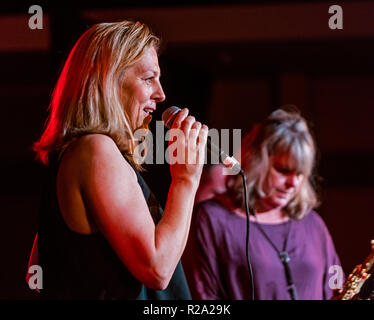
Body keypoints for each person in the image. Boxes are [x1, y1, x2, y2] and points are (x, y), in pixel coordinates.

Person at [30, 20, 208, 299]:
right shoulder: (97, 150)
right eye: (149, 78)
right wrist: (186, 179)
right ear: (108, 80)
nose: (161, 94)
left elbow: (37, 269)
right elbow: (158, 269)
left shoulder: (73, 153)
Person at [182, 106, 343, 300]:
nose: (293, 183)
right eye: (283, 170)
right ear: (256, 160)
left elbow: (336, 281)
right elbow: (203, 295)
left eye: (300, 174)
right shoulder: (212, 219)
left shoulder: (313, 224)